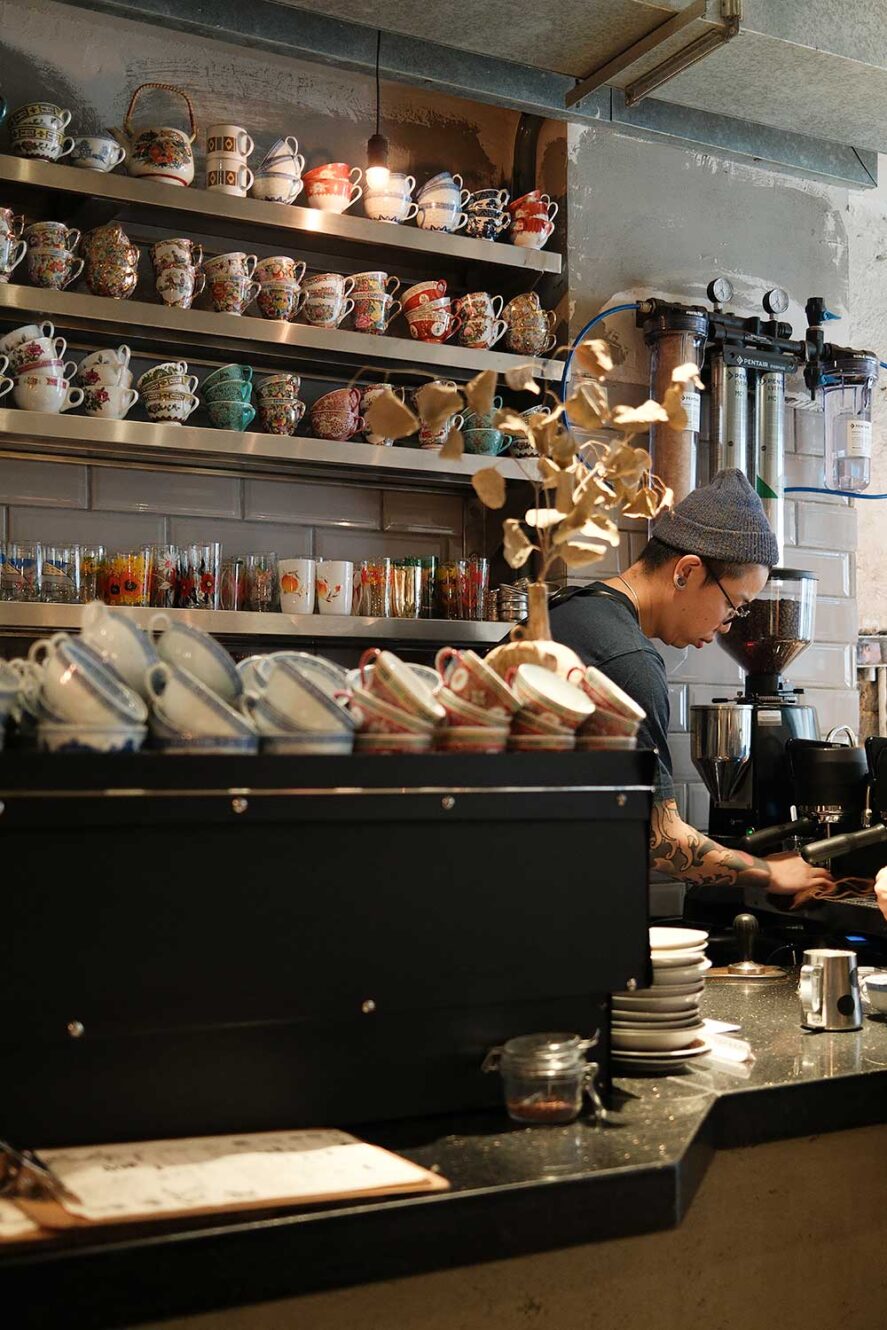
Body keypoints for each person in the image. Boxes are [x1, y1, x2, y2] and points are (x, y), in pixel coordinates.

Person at [549, 468, 834, 900]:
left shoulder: (567, 611)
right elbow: (660, 841)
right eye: (733, 605)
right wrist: (769, 872)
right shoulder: (629, 662)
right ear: (686, 571)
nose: (726, 626)